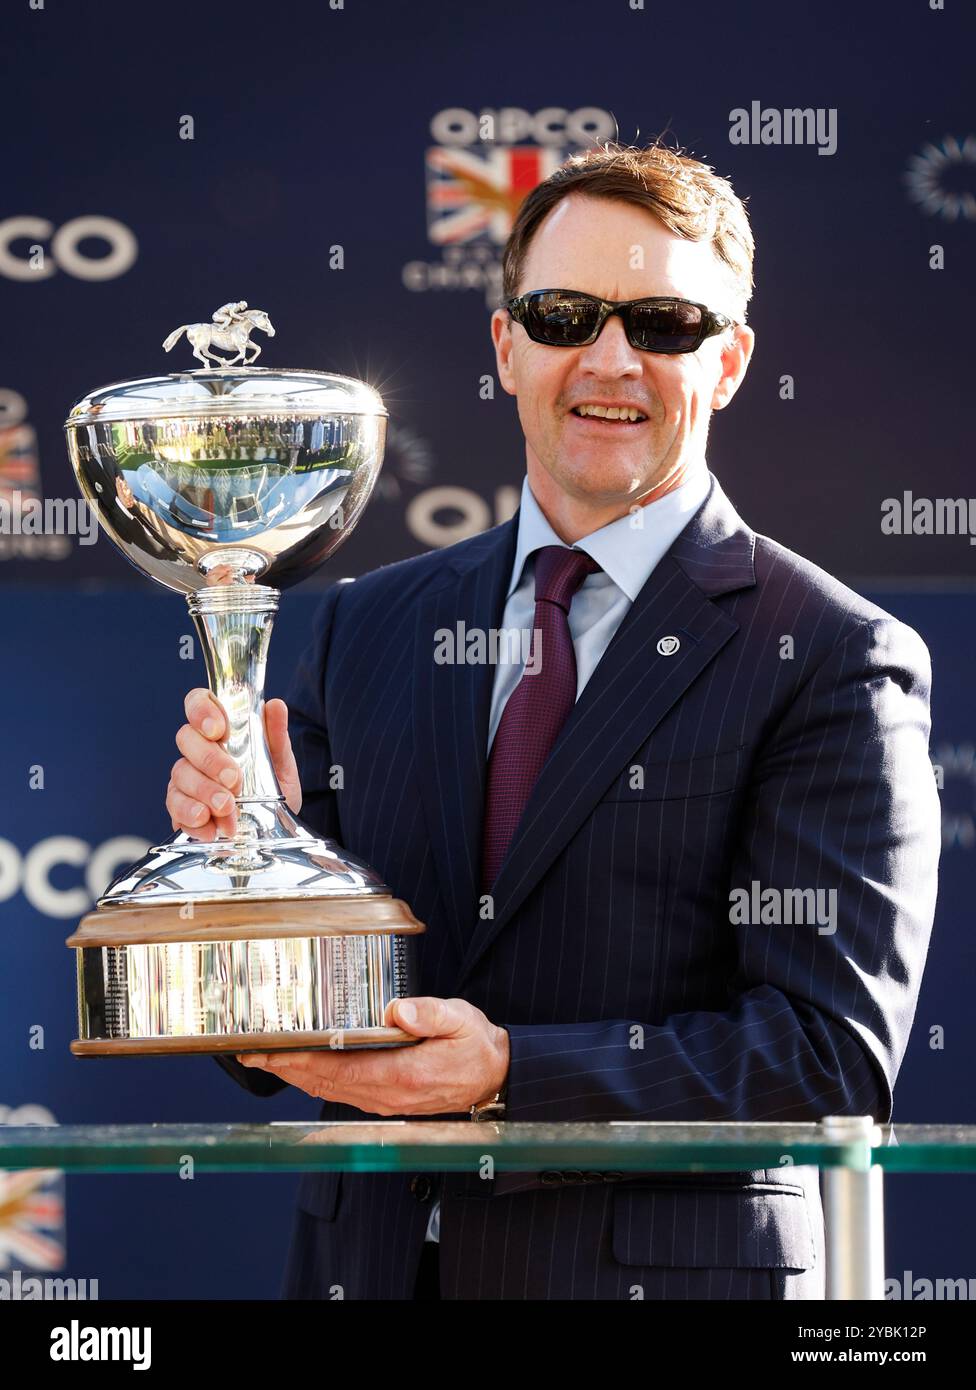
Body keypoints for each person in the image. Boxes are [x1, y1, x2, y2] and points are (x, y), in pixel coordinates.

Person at [165, 140, 940, 1300]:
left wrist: (507, 1076)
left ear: (729, 362)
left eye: (666, 322)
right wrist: (244, 881)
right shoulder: (360, 626)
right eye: (566, 313)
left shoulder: (829, 654)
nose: (610, 358)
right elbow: (271, 1048)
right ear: (506, 346)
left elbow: (830, 1057)